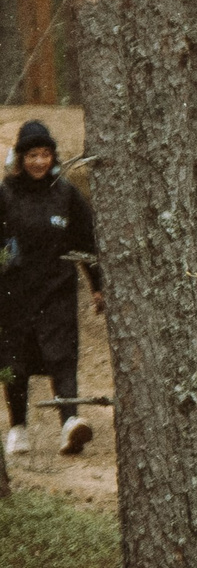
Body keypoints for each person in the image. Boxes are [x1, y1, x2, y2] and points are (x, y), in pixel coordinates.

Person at [0, 120, 103, 458]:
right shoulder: (5, 195)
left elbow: (87, 241)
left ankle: (70, 423)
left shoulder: (66, 194)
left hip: (57, 291)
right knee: (15, 361)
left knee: (63, 356)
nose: (40, 162)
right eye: (32, 155)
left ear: (53, 157)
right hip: (14, 296)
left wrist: (97, 286)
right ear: (20, 158)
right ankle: (18, 428)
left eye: (45, 154)